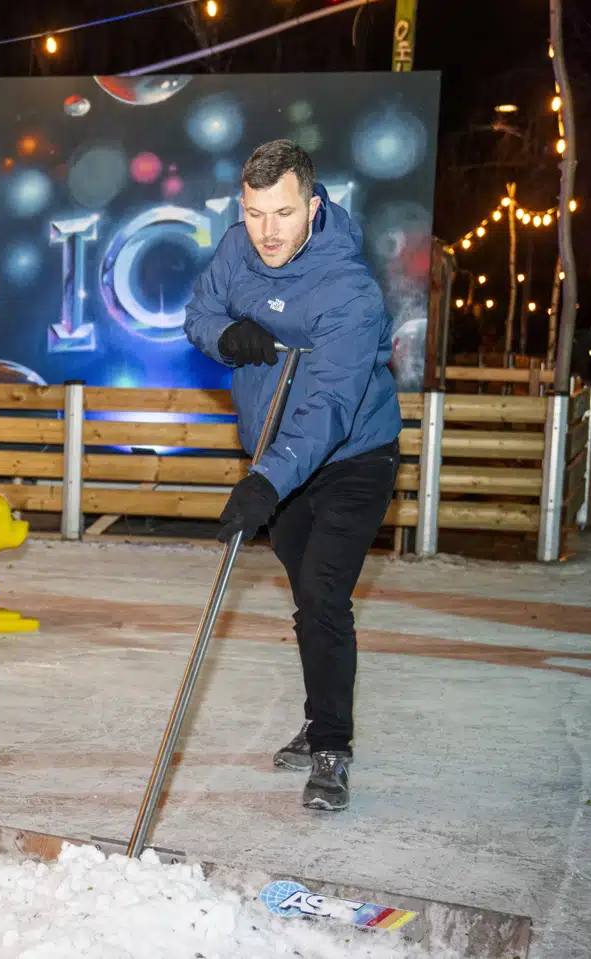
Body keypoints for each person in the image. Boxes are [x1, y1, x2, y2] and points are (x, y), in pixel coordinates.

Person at [183, 139, 401, 812]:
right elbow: (197, 313)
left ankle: (332, 744)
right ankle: (318, 720)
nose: (267, 231)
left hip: (351, 459)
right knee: (309, 602)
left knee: (323, 593)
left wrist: (266, 480)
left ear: (313, 204)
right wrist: (227, 337)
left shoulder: (350, 291)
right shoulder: (234, 250)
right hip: (277, 460)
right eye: (253, 213)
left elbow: (329, 408)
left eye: (282, 213)